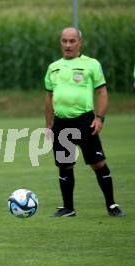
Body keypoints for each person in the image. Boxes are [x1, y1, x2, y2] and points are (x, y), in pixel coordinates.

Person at [44, 27, 126, 217]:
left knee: (98, 163)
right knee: (64, 165)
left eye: (72, 41)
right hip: (61, 123)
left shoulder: (91, 64)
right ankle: (68, 208)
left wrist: (100, 117)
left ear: (80, 42)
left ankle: (112, 206)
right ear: (60, 42)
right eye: (64, 41)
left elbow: (102, 92)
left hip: (84, 121)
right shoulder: (53, 67)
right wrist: (48, 126)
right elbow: (49, 97)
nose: (68, 45)